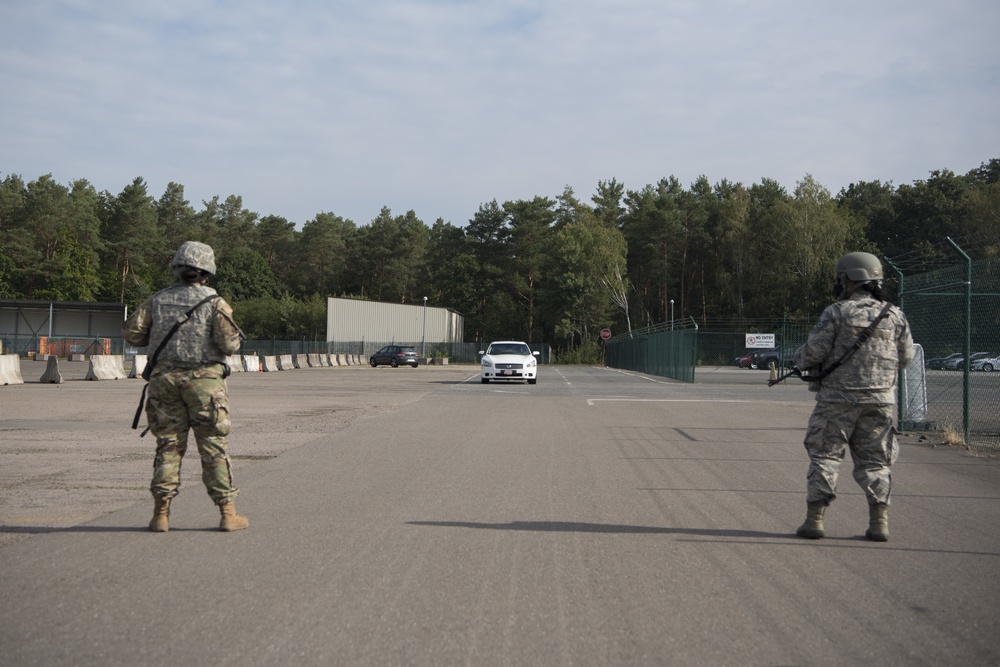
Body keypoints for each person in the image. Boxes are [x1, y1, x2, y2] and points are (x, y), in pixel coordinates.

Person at [123, 241, 249, 533]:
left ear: (177, 268)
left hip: (163, 383)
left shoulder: (157, 300)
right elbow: (229, 344)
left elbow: (131, 334)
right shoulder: (215, 302)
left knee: (168, 446)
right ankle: (228, 515)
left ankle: (160, 516)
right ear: (207, 271)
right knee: (213, 446)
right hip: (205, 385)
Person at [792, 251, 914, 542]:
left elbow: (813, 352)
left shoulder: (837, 312)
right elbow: (906, 357)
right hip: (880, 401)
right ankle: (879, 523)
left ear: (850, 279)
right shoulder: (894, 315)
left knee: (825, 455)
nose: (839, 283)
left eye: (841, 278)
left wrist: (797, 361)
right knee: (876, 461)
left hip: (837, 400)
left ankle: (815, 521)